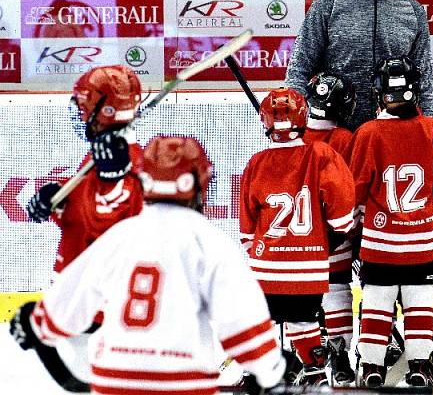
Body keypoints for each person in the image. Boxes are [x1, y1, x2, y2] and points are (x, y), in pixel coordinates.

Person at [9, 136, 287, 395]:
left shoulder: (119, 235)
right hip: (182, 381)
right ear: (199, 182)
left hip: (114, 379)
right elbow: (241, 322)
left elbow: (68, 305)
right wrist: (270, 373)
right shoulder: (210, 242)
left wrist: (37, 325)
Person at [22, 65, 145, 390]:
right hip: (87, 311)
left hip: (101, 313)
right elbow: (83, 209)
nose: (77, 114)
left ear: (101, 112)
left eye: (82, 106)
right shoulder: (103, 161)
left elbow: (107, 222)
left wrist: (114, 178)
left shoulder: (129, 167)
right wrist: (55, 203)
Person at [348, 57, 433, 388]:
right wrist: (430, 223)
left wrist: (360, 227)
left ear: (381, 94)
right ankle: (421, 365)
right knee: (420, 305)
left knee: (377, 305)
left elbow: (355, 190)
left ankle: (370, 367)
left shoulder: (367, 133)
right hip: (423, 242)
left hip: (379, 243)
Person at [240, 88, 356, 386]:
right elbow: (343, 213)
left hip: (267, 268)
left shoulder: (256, 162)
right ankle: (315, 369)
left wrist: (258, 253)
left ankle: (261, 370)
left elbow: (246, 230)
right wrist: (330, 237)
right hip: (308, 268)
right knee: (303, 320)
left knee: (263, 321)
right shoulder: (322, 154)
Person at [285, 0, 433, 131]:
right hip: (335, 130)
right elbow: (301, 63)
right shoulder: (330, 0)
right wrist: (292, 117)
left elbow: (425, 76)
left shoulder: (413, 10)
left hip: (392, 132)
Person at [303, 72, 358, 385]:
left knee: (306, 295)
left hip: (301, 237)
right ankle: (341, 354)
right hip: (337, 233)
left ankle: (309, 355)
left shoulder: (295, 137)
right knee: (338, 289)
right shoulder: (345, 140)